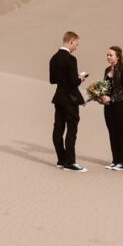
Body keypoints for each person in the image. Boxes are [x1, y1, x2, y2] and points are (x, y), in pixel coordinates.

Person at [50, 31, 89, 172]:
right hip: (70, 99)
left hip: (59, 98)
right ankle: (70, 162)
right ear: (71, 41)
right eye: (76, 44)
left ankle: (61, 160)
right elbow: (73, 82)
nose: (76, 48)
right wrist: (80, 78)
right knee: (71, 130)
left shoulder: (53, 58)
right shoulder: (71, 59)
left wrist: (70, 78)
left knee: (58, 128)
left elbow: (52, 80)